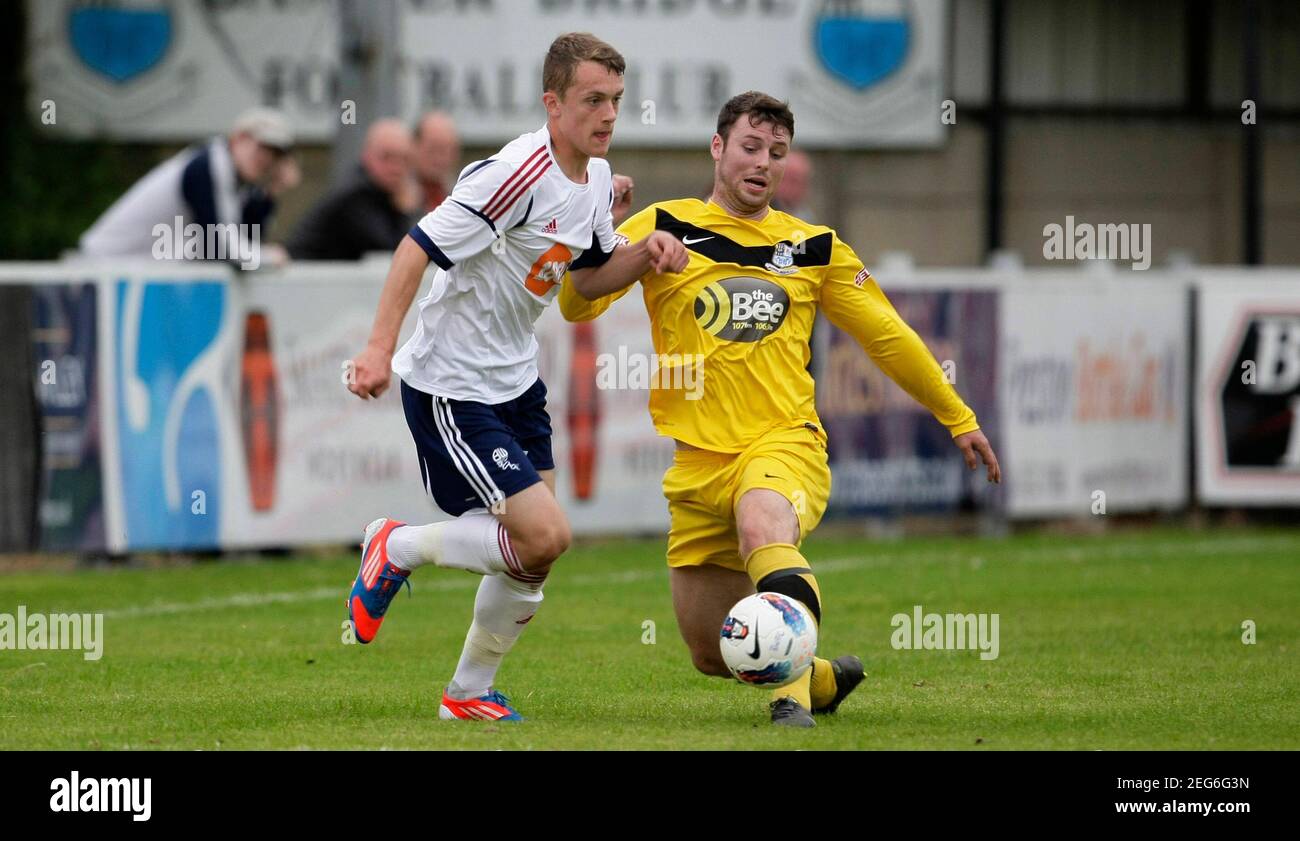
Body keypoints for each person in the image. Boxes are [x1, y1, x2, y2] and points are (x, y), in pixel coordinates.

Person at [561, 91, 1001, 727]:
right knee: (713, 652)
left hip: (782, 442)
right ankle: (820, 679)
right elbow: (577, 304)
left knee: (762, 527)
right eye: (749, 147)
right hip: (698, 462)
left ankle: (790, 703)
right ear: (717, 148)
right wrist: (622, 246)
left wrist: (958, 416)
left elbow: (887, 335)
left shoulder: (813, 247)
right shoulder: (666, 224)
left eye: (776, 152)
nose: (762, 162)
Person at [342, 33, 652, 722]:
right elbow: (415, 248)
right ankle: (394, 545)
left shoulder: (596, 178)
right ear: (553, 103)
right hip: (452, 385)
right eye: (592, 101)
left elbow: (590, 276)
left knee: (529, 557)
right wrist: (376, 349)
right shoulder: (513, 174)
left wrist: (646, 254)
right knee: (546, 536)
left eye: (617, 102)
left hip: (515, 382)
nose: (608, 115)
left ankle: (466, 695)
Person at [79, 107, 298, 267]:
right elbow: (219, 248)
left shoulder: (231, 180)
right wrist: (267, 258)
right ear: (239, 139)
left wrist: (270, 192)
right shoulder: (205, 166)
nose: (269, 159)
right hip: (105, 271)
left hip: (136, 277)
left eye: (277, 154)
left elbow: (242, 239)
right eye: (264, 147)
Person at [286, 119, 416, 260]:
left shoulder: (381, 194)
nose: (396, 168)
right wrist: (403, 213)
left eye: (405, 160)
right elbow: (390, 253)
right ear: (366, 155)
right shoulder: (356, 196)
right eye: (387, 157)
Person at [413, 110, 461, 212]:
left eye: (446, 151)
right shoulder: (395, 196)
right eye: (433, 150)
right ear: (414, 146)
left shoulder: (463, 195)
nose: (439, 159)